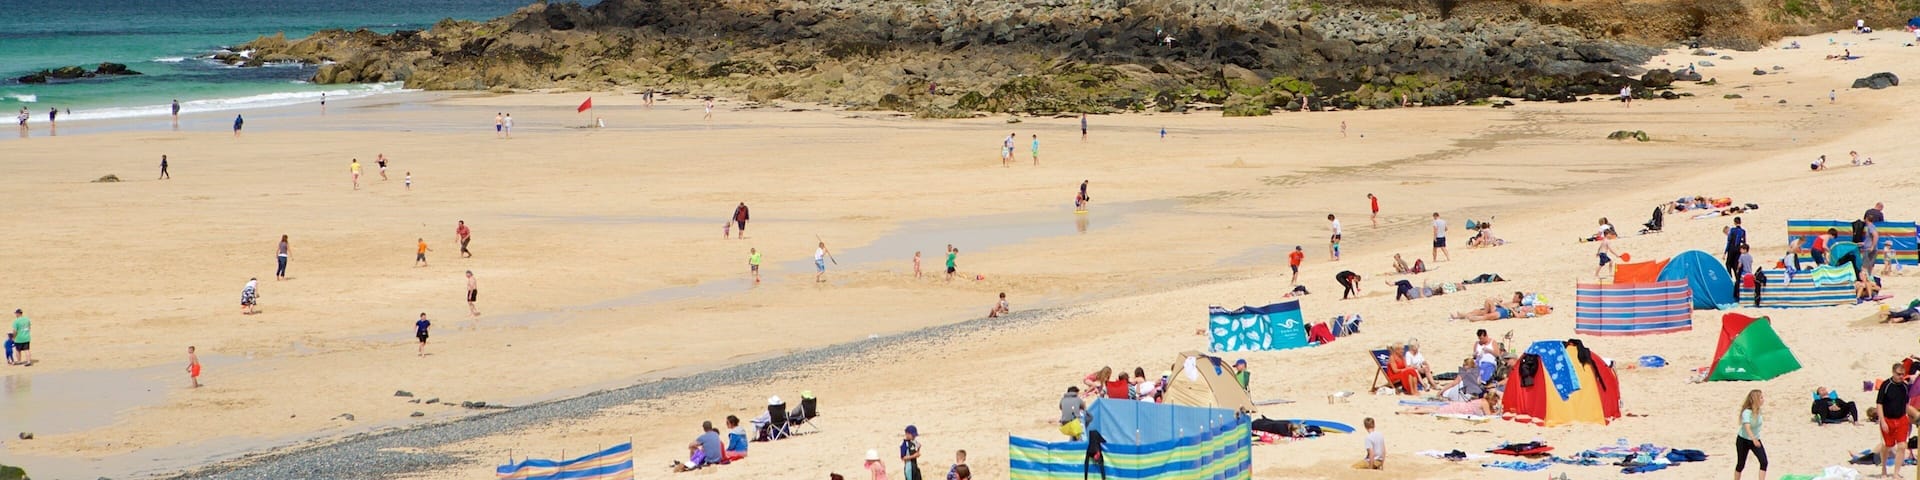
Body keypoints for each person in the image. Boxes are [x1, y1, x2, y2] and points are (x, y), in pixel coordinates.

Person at [1880, 362, 1913, 479]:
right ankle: (1883, 469)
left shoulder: (1904, 386)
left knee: (1902, 446)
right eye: (1899, 374)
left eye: (1903, 374)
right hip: (1888, 419)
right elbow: (1879, 404)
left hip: (1902, 419)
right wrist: (1882, 421)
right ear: (1893, 373)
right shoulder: (1886, 385)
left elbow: (1906, 403)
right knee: (1887, 446)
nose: (1901, 377)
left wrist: (1910, 417)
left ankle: (1896, 473)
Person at [1735, 389, 1767, 480]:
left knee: (1764, 462)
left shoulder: (1759, 411)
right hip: (1743, 440)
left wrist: (1755, 439)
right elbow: (1747, 427)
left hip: (1755, 439)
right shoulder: (1746, 412)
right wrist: (1754, 439)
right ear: (1755, 399)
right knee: (1741, 464)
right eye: (1761, 398)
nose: (1763, 399)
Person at [1399, 391, 1503, 416]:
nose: (1495, 403)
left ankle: (1416, 408)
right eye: (1495, 401)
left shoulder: (1483, 401)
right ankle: (1411, 412)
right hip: (1461, 409)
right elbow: (1489, 415)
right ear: (1491, 399)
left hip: (1460, 406)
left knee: (1436, 409)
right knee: (1434, 411)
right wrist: (1498, 412)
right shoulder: (1485, 403)